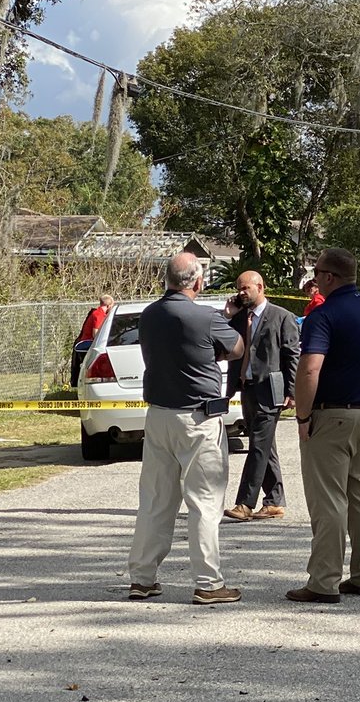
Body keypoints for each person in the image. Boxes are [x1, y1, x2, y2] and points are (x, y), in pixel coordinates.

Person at [127, 252, 244, 605]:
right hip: (198, 419)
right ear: (196, 281)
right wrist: (227, 322)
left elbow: (182, 346)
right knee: (205, 502)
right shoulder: (205, 317)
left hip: (159, 415)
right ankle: (208, 582)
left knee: (156, 500)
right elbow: (236, 349)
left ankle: (143, 577)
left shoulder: (149, 315)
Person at [287, 248, 360, 604]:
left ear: (330, 277)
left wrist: (303, 416)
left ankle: (323, 581)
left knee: (328, 500)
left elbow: (309, 368)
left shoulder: (324, 315)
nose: (314, 277)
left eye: (317, 271)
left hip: (330, 415)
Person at [223, 271, 300, 522]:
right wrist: (228, 314)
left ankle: (245, 503)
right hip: (247, 388)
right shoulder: (239, 319)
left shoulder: (281, 317)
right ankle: (274, 501)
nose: (241, 292)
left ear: (260, 287)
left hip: (270, 390)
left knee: (257, 444)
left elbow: (292, 356)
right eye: (239, 288)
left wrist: (293, 392)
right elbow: (221, 340)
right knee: (266, 445)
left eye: (246, 288)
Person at [71, 294, 114, 385]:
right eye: (112, 305)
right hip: (87, 345)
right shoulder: (98, 315)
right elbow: (96, 334)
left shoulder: (99, 313)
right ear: (109, 305)